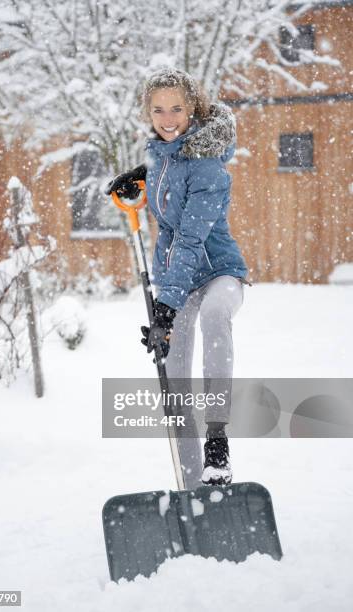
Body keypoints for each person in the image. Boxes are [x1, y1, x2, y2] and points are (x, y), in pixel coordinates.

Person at [106, 68, 250, 488]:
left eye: (177, 109)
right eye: (158, 110)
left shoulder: (210, 169)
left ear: (194, 109)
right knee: (174, 379)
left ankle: (218, 441)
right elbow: (170, 163)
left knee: (214, 316)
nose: (168, 119)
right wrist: (141, 172)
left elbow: (189, 239)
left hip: (219, 273)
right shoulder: (160, 155)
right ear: (148, 113)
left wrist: (165, 306)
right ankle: (193, 492)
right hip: (177, 280)